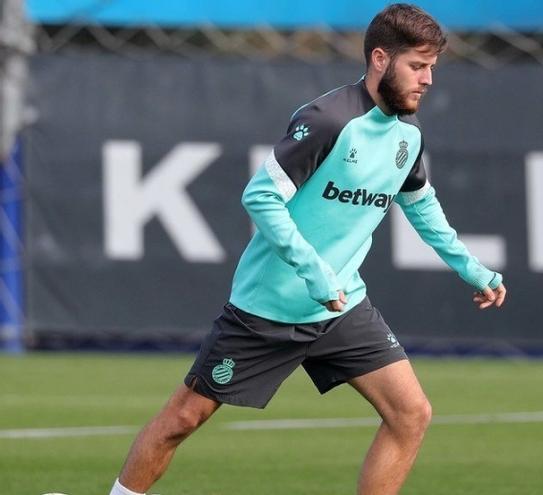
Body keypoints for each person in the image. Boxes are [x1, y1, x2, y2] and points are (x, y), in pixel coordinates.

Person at [108, 4, 506, 495]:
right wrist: (315, 273)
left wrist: (472, 268)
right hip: (268, 307)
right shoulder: (328, 119)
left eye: (431, 69)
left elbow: (423, 207)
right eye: (417, 67)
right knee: (181, 419)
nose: (427, 80)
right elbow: (260, 196)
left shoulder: (407, 135)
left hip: (342, 307)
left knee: (411, 414)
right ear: (381, 59)